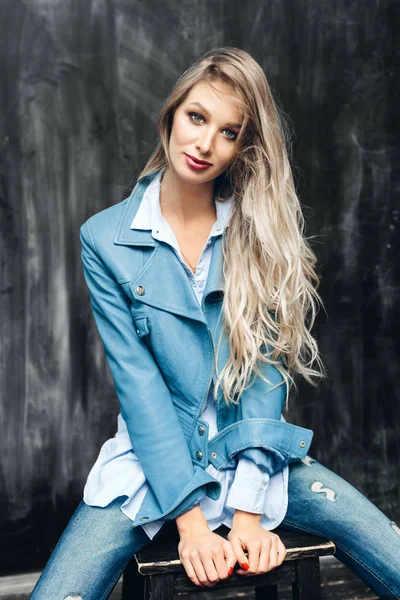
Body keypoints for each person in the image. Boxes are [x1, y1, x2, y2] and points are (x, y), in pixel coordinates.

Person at [31, 47, 400, 600]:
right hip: (152, 469)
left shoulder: (260, 233)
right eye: (196, 118)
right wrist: (190, 524)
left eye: (229, 132)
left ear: (243, 148)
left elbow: (263, 378)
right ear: (171, 115)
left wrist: (249, 514)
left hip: (253, 455)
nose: (205, 144)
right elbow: (140, 389)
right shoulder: (103, 239)